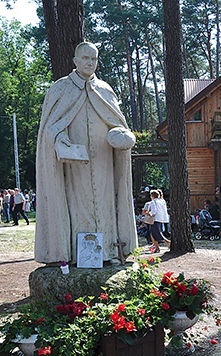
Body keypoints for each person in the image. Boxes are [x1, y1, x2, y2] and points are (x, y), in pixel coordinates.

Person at [34, 42, 137, 264]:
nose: (90, 63)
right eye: (86, 58)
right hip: (74, 166)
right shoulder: (61, 89)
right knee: (76, 207)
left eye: (94, 59)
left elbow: (117, 123)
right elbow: (50, 129)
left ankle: (108, 252)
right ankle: (73, 254)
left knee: (105, 203)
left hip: (103, 162)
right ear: (75, 61)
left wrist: (121, 135)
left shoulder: (105, 90)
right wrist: (61, 140)